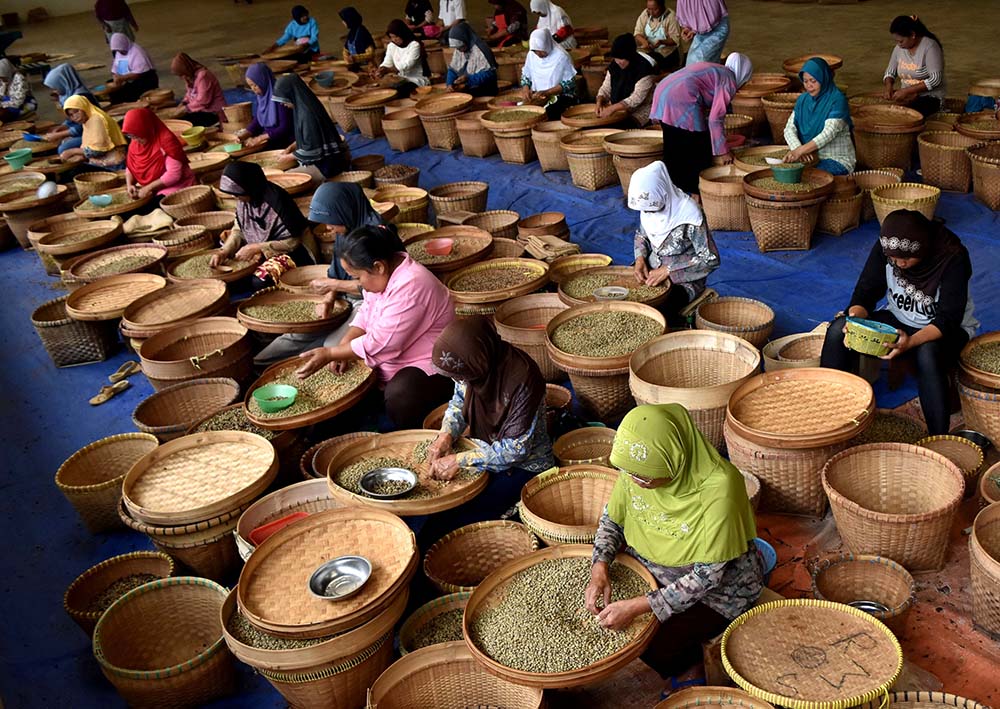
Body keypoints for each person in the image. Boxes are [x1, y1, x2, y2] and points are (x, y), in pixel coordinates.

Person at [584, 404, 762, 679]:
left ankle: (694, 668)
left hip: (718, 591)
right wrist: (599, 567)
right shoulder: (636, 466)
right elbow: (612, 520)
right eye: (631, 474)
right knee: (612, 623)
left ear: (675, 459)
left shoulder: (720, 488)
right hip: (650, 568)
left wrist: (637, 606)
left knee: (651, 646)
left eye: (646, 477)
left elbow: (707, 577)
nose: (637, 482)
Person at [821, 211, 978, 435]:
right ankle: (830, 412)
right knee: (838, 330)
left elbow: (948, 320)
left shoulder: (952, 257)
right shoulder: (887, 247)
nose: (900, 264)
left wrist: (911, 341)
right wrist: (854, 320)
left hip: (944, 330)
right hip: (899, 320)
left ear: (923, 248)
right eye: (894, 260)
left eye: (906, 258)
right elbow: (865, 293)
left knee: (927, 353)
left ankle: (938, 437)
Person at [295, 224, 456, 431]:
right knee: (338, 390)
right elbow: (365, 315)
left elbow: (382, 342)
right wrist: (343, 347)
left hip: (430, 363)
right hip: (392, 357)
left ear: (378, 267)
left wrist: (331, 353)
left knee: (401, 395)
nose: (358, 283)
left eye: (357, 277)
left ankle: (417, 431)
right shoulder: (382, 276)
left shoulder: (412, 285)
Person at [423, 316, 555, 527]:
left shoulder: (523, 380)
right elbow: (458, 401)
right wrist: (445, 435)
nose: (459, 381)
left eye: (461, 376)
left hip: (523, 467)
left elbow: (515, 450)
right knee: (436, 510)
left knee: (464, 520)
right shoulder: (472, 368)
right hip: (480, 449)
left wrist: (459, 460)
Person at [254, 182, 383, 367]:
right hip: (342, 297)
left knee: (332, 346)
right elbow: (335, 273)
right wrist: (328, 298)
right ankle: (260, 366)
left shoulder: (375, 235)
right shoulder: (345, 229)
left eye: (331, 220)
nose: (328, 227)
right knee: (296, 335)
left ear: (344, 210)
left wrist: (334, 286)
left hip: (369, 303)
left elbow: (378, 286)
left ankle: (304, 361)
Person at [649, 53, 753, 194]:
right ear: (743, 74)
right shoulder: (729, 80)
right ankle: (694, 194)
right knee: (699, 148)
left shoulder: (718, 70)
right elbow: (715, 119)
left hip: (663, 91)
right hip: (681, 97)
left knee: (673, 145)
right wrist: (723, 152)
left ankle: (674, 192)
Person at [630, 161, 719, 324]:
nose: (649, 214)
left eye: (653, 210)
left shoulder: (689, 215)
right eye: (646, 211)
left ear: (663, 194)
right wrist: (640, 259)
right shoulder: (648, 206)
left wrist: (669, 270)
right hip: (651, 271)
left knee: (654, 314)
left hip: (684, 281)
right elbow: (642, 235)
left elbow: (710, 259)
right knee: (624, 298)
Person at [213, 162, 315, 290]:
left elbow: (293, 242)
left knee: (260, 281)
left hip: (295, 252)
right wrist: (224, 251)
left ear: (249, 186)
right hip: (261, 249)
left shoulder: (277, 201)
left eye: (238, 194)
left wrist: (257, 247)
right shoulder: (244, 200)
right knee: (229, 279)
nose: (235, 197)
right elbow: (238, 230)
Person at [783, 57, 855, 176]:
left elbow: (829, 133)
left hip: (837, 160)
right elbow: (789, 129)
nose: (809, 85)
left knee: (806, 177)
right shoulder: (803, 100)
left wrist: (800, 151)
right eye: (805, 81)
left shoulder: (837, 100)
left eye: (813, 81)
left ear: (823, 79)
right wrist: (798, 149)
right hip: (810, 158)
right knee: (789, 173)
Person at [273, 73, 351, 180]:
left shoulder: (307, 114)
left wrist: (287, 157)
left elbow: (312, 151)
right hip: (326, 162)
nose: (282, 103)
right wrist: (290, 148)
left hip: (326, 166)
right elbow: (311, 138)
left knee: (284, 178)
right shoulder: (303, 107)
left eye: (283, 99)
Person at [122, 108, 195, 200]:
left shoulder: (166, 141)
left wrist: (148, 188)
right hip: (150, 188)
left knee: (156, 205)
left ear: (146, 128)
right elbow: (131, 166)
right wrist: (130, 185)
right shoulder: (135, 143)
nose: (135, 139)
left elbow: (174, 175)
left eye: (137, 136)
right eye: (130, 136)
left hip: (176, 186)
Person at [883, 15, 945, 117]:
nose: (899, 44)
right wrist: (888, 86)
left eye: (901, 41)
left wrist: (907, 91)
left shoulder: (930, 46)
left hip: (930, 98)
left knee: (908, 116)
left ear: (912, 34)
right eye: (896, 41)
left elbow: (935, 79)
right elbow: (890, 72)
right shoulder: (899, 48)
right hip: (907, 97)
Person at [596, 34, 657, 127]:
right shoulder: (614, 66)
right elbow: (606, 87)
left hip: (639, 110)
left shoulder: (644, 70)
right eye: (616, 58)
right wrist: (599, 101)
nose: (618, 61)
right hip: (617, 109)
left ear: (630, 56)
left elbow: (636, 99)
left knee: (621, 127)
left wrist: (612, 109)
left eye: (622, 58)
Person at [520, 29, 579, 120]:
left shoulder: (562, 56)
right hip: (537, 95)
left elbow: (570, 83)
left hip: (560, 96)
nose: (538, 54)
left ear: (547, 45)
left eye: (541, 50)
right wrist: (526, 89)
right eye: (535, 51)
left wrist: (547, 92)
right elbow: (526, 75)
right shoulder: (531, 56)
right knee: (522, 110)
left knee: (548, 113)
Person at [59, 95, 128, 170]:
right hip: (103, 161)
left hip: (112, 165)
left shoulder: (96, 120)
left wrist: (71, 152)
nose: (75, 116)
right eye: (71, 115)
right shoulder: (88, 119)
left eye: (76, 111)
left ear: (84, 107)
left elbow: (97, 151)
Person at [42, 64, 98, 154]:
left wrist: (59, 134)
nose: (54, 92)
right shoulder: (67, 95)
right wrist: (62, 127)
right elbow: (70, 119)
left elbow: (83, 125)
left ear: (63, 82)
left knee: (63, 148)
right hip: (83, 130)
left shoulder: (80, 97)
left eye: (55, 88)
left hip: (93, 132)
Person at [237, 63, 294, 149]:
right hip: (270, 139)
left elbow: (285, 127)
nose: (253, 89)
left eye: (255, 85)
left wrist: (260, 138)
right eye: (250, 86)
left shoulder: (280, 97)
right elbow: (259, 120)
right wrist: (244, 135)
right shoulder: (262, 96)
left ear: (263, 81)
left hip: (286, 142)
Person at [376, 20, 432, 94]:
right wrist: (381, 69)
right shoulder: (391, 46)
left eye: (396, 36)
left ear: (402, 34)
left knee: (400, 91)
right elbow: (387, 62)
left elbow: (407, 65)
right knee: (385, 90)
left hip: (415, 79)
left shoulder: (414, 45)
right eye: (392, 37)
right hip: (400, 79)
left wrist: (388, 70)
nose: (394, 39)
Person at [171, 53, 226, 127]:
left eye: (181, 75)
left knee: (183, 123)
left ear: (186, 69)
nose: (181, 78)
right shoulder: (190, 77)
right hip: (200, 111)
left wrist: (185, 109)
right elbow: (189, 94)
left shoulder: (203, 76)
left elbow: (203, 101)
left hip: (213, 113)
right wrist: (184, 103)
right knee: (177, 120)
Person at [446, 22, 499, 97]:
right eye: (457, 48)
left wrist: (469, 79)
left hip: (485, 91)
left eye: (461, 47)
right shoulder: (459, 50)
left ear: (466, 39)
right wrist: (449, 83)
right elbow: (453, 69)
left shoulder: (481, 49)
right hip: (468, 89)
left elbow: (489, 74)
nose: (459, 50)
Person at [107, 33, 158, 104]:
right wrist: (115, 77)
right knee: (110, 84)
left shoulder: (137, 52)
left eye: (121, 49)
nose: (120, 52)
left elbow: (138, 74)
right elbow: (115, 69)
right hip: (127, 79)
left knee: (126, 92)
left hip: (144, 79)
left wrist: (122, 78)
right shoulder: (118, 53)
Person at [634, 0, 683, 71]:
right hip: (650, 51)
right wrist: (644, 42)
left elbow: (675, 40)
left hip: (667, 54)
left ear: (662, 7)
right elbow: (637, 33)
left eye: (655, 9)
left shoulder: (671, 16)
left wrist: (661, 42)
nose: (651, 12)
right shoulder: (645, 13)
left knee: (648, 66)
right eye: (649, 9)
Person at [677, 0, 729, 66]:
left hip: (716, 31)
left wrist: (695, 30)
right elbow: (692, 16)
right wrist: (689, 28)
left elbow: (713, 16)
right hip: (700, 32)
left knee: (700, 64)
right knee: (693, 64)